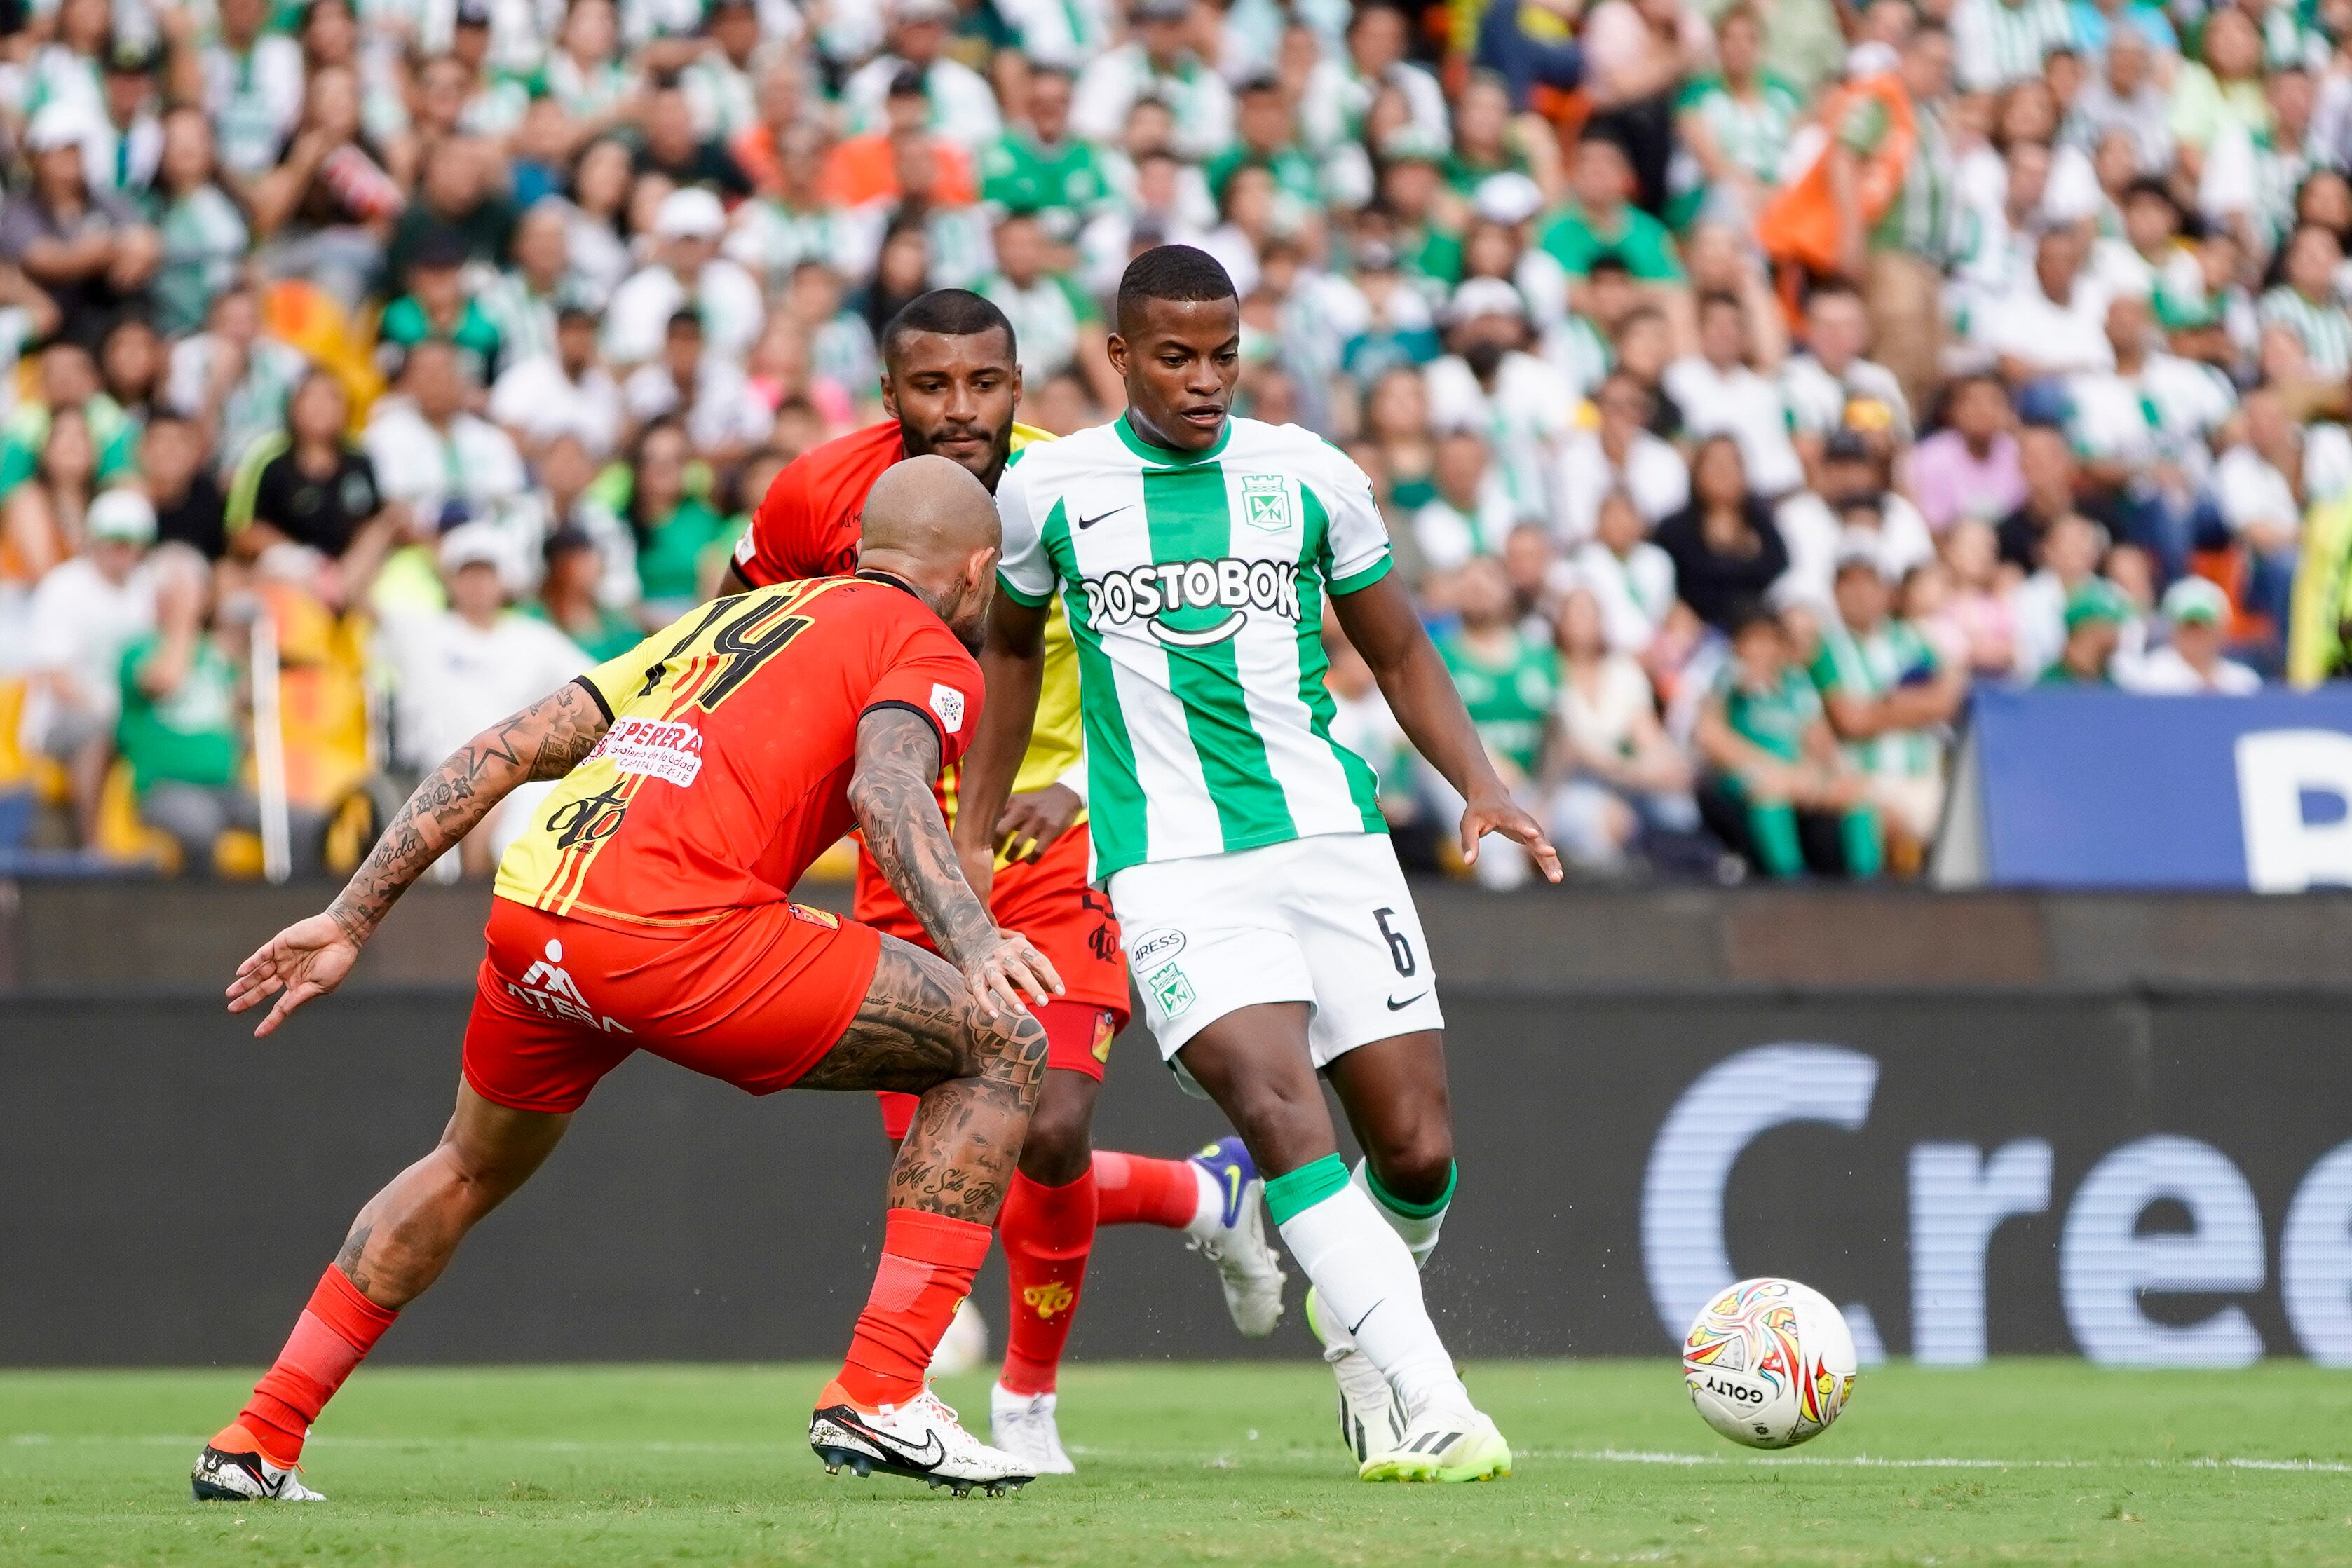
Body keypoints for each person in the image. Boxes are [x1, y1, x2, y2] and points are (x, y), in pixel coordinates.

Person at [193, 456, 1057, 1502]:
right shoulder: (924, 644)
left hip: (537, 914)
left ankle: (257, 1437)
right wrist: (975, 941)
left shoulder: (721, 622)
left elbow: (506, 747)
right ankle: (882, 1389)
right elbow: (886, 784)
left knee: (464, 1163)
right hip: (673, 932)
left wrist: (352, 912)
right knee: (1001, 1042)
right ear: (975, 571)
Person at [954, 245, 1558, 1483]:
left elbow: (1397, 650)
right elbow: (1011, 655)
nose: (1205, 380)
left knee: (1417, 1152)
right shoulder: (1052, 491)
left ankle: (1356, 1318)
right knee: (1282, 1114)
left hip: (1333, 843)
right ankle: (1435, 1401)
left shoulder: (1311, 474)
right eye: (1175, 357)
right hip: (1172, 869)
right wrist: (974, 817)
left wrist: (1483, 785)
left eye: (1224, 355)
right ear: (1119, 357)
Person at [722, 288, 1281, 1473]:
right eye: (932, 385)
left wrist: (1074, 783)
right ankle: (1198, 1197)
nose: (960, 408)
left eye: (984, 384)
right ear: (890, 393)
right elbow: (741, 633)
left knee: (1052, 1122)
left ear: (1020, 385)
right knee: (961, 1153)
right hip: (908, 861)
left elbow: (1164, 671)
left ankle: (1026, 1406)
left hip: (1056, 845)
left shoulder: (1081, 490)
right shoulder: (817, 494)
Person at [1695, 604, 1881, 879]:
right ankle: (1789, 879)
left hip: (1795, 773)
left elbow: (1818, 737)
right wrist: (1771, 767)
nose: (1761, 650)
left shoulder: (1795, 682)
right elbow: (1710, 737)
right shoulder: (1729, 679)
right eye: (1753, 641)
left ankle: (1867, 882)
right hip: (1747, 774)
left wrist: (1816, 770)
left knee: (1857, 793)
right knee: (1769, 790)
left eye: (1768, 640)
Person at [2126, 576, 2260, 693]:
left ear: (2221, 631)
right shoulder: (2151, 677)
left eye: (2204, 627)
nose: (2196, 635)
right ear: (2172, 630)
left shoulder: (2244, 682)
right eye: (2188, 627)